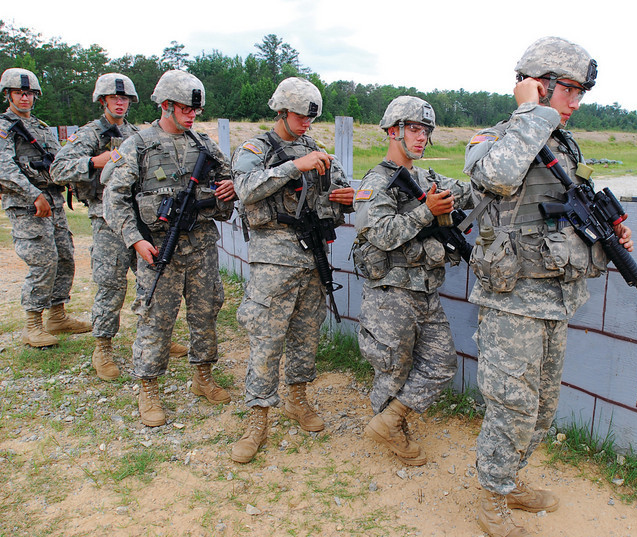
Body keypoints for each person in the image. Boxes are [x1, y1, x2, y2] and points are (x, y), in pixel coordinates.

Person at [463, 37, 634, 537]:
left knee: (540, 407)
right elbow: (494, 178)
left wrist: (609, 230)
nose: (576, 103)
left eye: (582, 92)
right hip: (511, 300)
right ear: (538, 84)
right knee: (511, 407)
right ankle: (492, 500)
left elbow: (564, 211)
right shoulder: (492, 139)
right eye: (570, 90)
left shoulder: (562, 144)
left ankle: (510, 480)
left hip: (555, 297)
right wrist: (531, 112)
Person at [230, 77, 354, 464]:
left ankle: (297, 398)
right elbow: (246, 189)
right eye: (301, 116)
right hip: (274, 259)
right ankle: (257, 418)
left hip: (313, 256)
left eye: (311, 117)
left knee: (306, 334)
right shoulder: (256, 148)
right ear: (281, 111)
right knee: (267, 340)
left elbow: (340, 189)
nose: (307, 124)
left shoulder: (315, 149)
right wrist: (292, 165)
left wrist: (346, 197)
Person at [103, 69, 236, 427]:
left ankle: (202, 375)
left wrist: (226, 193)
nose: (192, 115)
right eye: (185, 108)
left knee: (205, 313)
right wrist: (136, 239)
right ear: (165, 105)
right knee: (156, 319)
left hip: (202, 248)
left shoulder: (206, 146)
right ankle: (148, 387)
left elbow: (227, 191)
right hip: (159, 249)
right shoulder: (139, 145)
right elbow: (113, 199)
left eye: (196, 110)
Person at [353, 96, 473, 466]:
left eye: (426, 131)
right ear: (394, 131)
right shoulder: (376, 181)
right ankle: (393, 427)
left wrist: (492, 175)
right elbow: (382, 235)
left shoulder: (426, 178)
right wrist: (427, 212)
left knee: (441, 362)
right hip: (390, 292)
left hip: (424, 289)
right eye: (415, 129)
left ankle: (389, 420)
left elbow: (465, 191)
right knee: (392, 366)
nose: (422, 137)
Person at [51, 73, 188, 381]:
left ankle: (158, 339)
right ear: (103, 101)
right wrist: (93, 162)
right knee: (111, 284)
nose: (120, 103)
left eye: (125, 98)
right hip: (105, 219)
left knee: (152, 282)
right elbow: (57, 169)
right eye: (114, 98)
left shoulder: (136, 134)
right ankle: (103, 347)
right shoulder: (89, 134)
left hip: (138, 218)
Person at [0, 67, 91, 348]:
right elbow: (4, 168)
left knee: (64, 257)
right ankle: (32, 325)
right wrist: (33, 194)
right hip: (27, 205)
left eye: (29, 93)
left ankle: (57, 316)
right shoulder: (4, 127)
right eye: (19, 92)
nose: (25, 98)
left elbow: (59, 163)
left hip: (53, 203)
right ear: (8, 94)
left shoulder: (40, 128)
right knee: (43, 261)